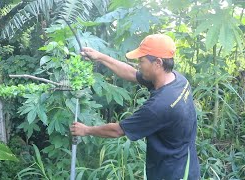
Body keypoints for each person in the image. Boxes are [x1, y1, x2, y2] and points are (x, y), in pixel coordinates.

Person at [70, 34, 200, 179]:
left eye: (141, 61)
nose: (138, 65)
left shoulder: (158, 107)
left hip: (171, 174)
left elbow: (118, 130)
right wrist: (100, 57)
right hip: (186, 163)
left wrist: (86, 130)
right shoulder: (177, 79)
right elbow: (132, 73)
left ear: (158, 62)